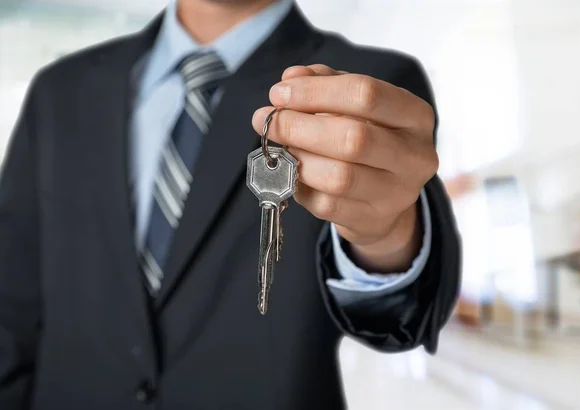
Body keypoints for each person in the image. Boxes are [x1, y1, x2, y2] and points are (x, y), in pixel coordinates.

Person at [0, 0, 460, 408]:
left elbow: (405, 312)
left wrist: (385, 237)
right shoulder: (60, 92)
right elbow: (11, 304)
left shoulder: (365, 90)